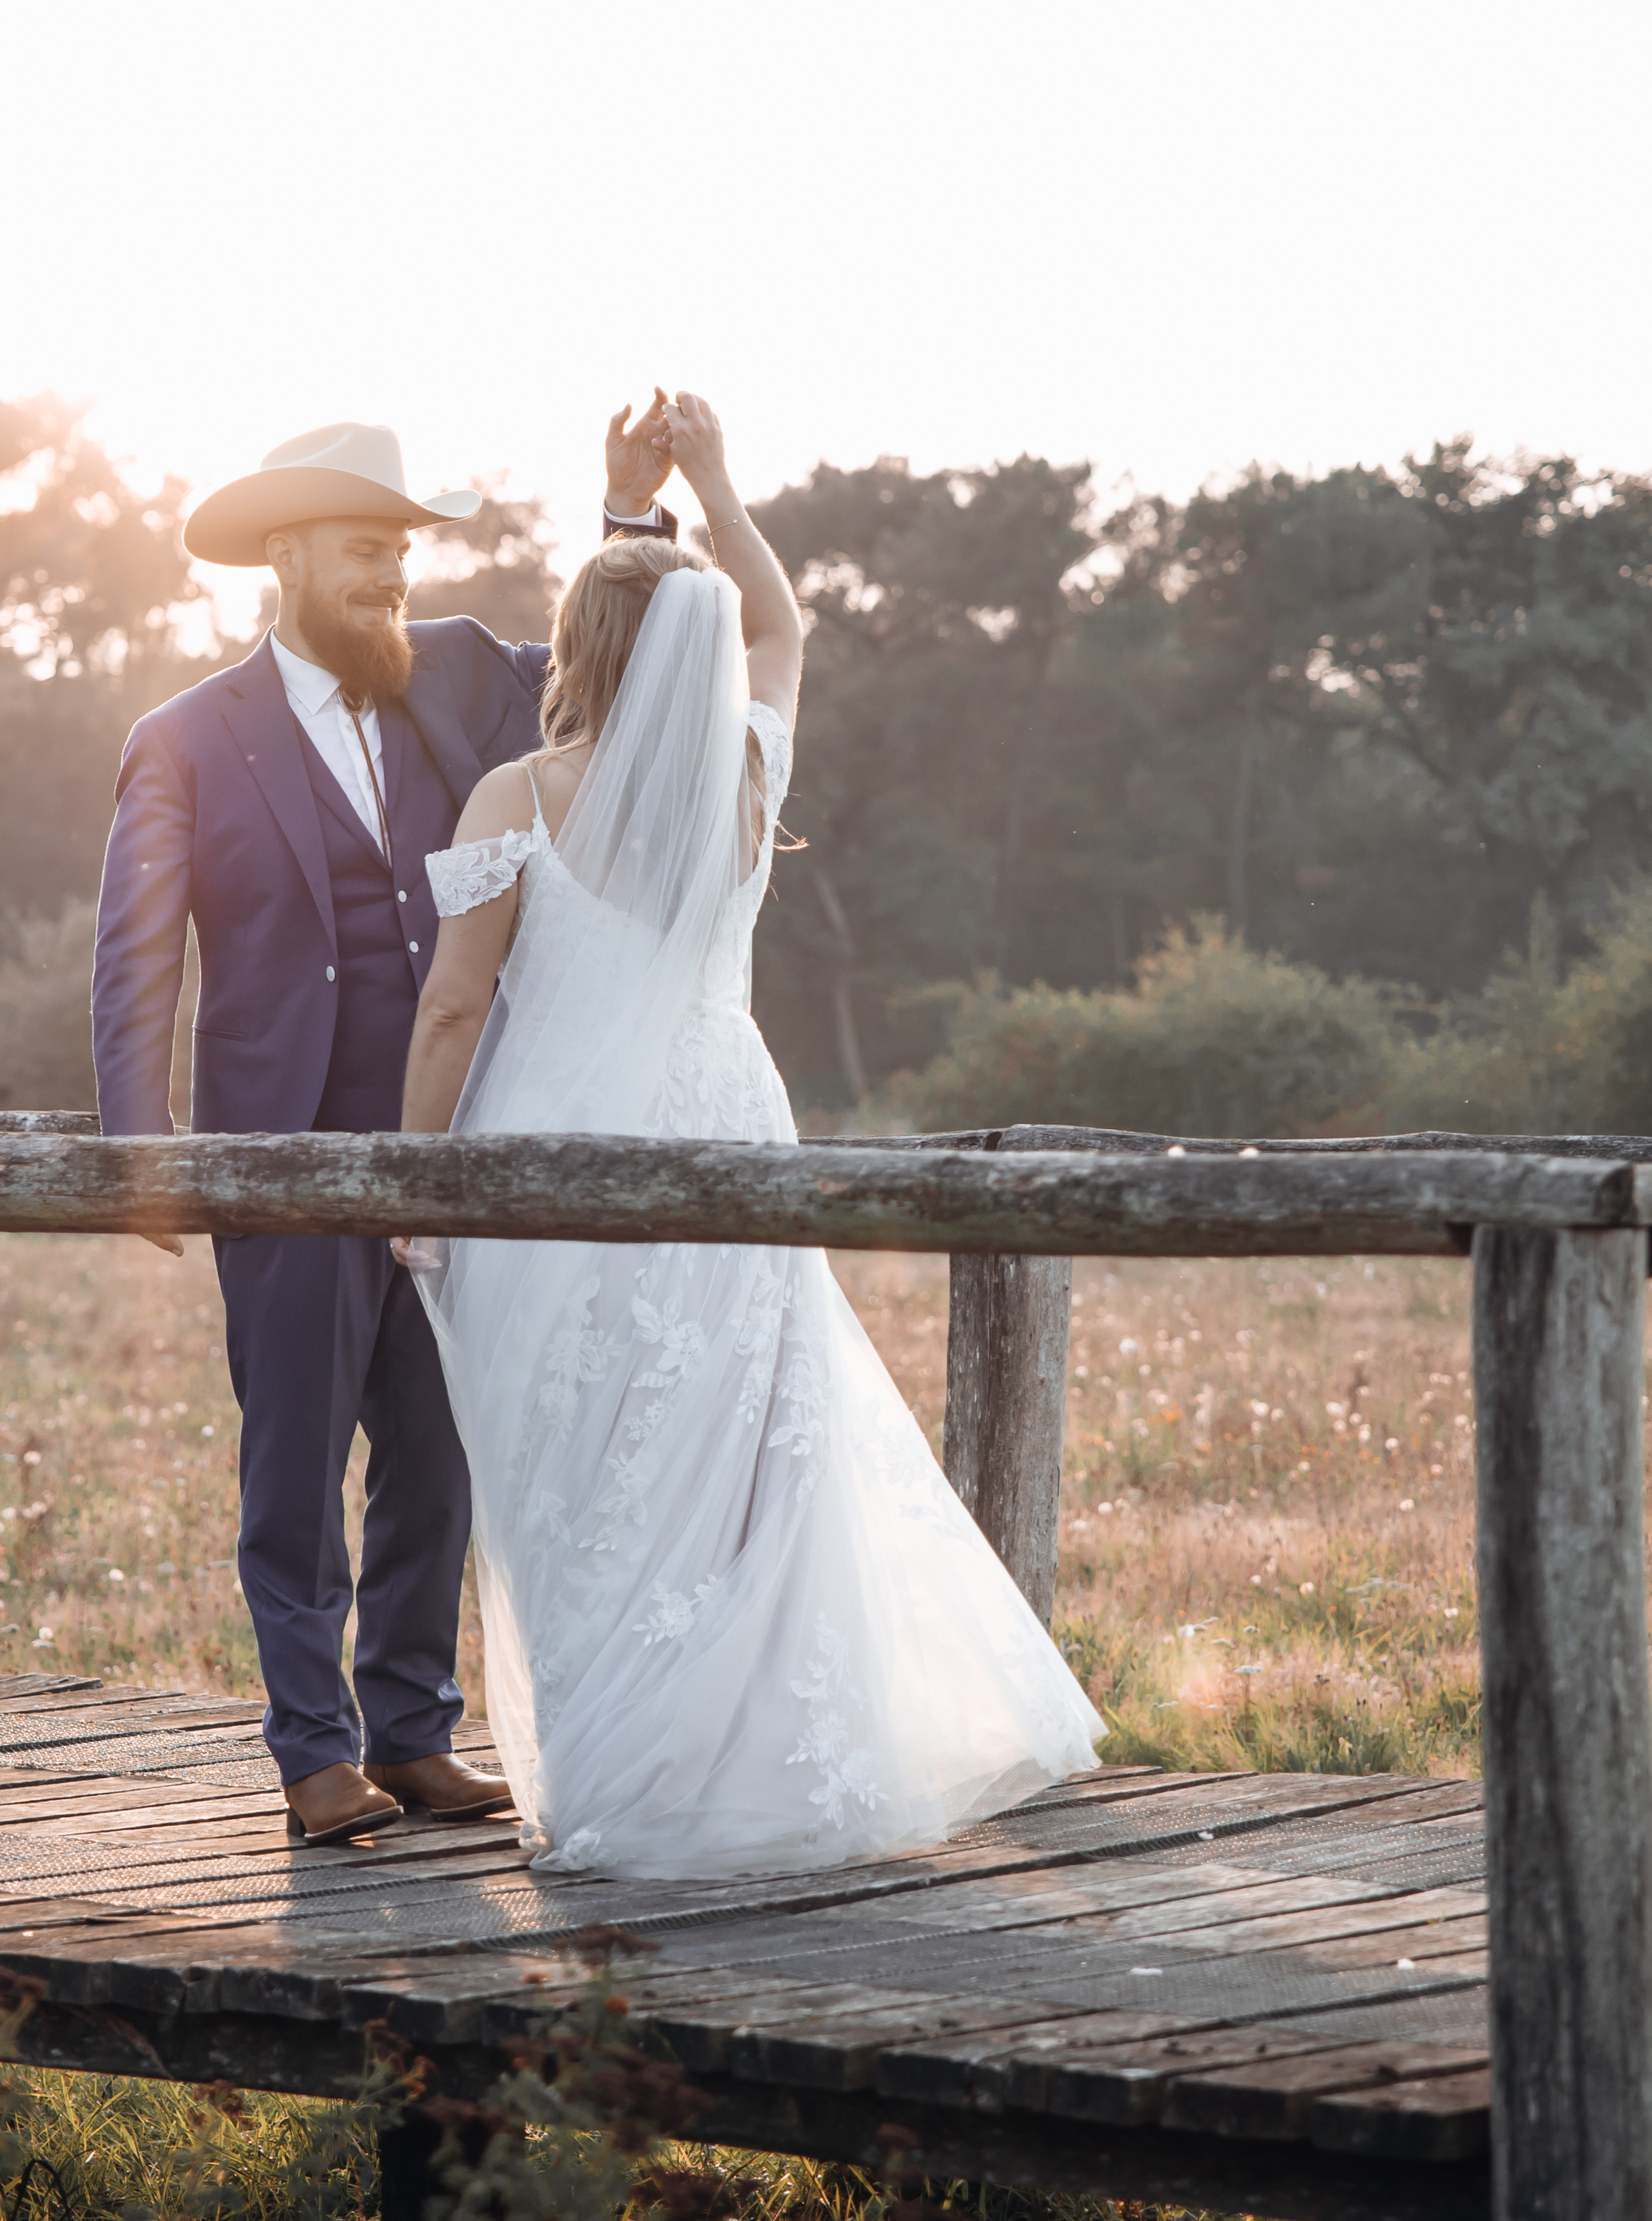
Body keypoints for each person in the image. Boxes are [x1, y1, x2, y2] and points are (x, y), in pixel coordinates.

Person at [392, 394, 1106, 1878]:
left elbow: (455, 1011)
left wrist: (416, 1181)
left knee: (579, 1464)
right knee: (739, 1462)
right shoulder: (750, 771)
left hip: (553, 1157)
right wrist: (710, 482)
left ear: (578, 656)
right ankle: (743, 1762)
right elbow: (783, 626)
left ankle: (612, 1777)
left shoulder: (514, 795)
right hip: (730, 1134)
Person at [91, 409, 683, 1847]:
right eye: (368, 551)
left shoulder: (470, 676)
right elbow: (135, 954)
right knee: (293, 1457)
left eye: (404, 552)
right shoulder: (180, 739)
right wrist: (141, 1143)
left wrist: (627, 514)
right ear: (288, 556)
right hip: (276, 1151)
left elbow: (628, 667)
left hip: (450, 1139)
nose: (392, 578)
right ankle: (313, 1751)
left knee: (437, 1445)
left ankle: (412, 1727)